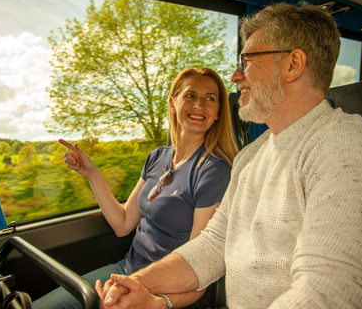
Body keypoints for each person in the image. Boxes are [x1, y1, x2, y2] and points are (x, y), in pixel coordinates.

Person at [96, 2, 362, 309]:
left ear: (292, 65)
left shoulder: (350, 145)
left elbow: (333, 294)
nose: (234, 76)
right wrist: (137, 283)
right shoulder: (250, 158)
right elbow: (212, 245)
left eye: (246, 62)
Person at [33, 67, 239, 309]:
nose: (200, 105)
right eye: (190, 95)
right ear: (173, 103)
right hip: (125, 271)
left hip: (169, 291)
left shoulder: (213, 170)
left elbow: (200, 267)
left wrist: (154, 302)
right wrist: (93, 175)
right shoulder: (157, 157)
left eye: (210, 99)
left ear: (217, 113)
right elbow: (123, 224)